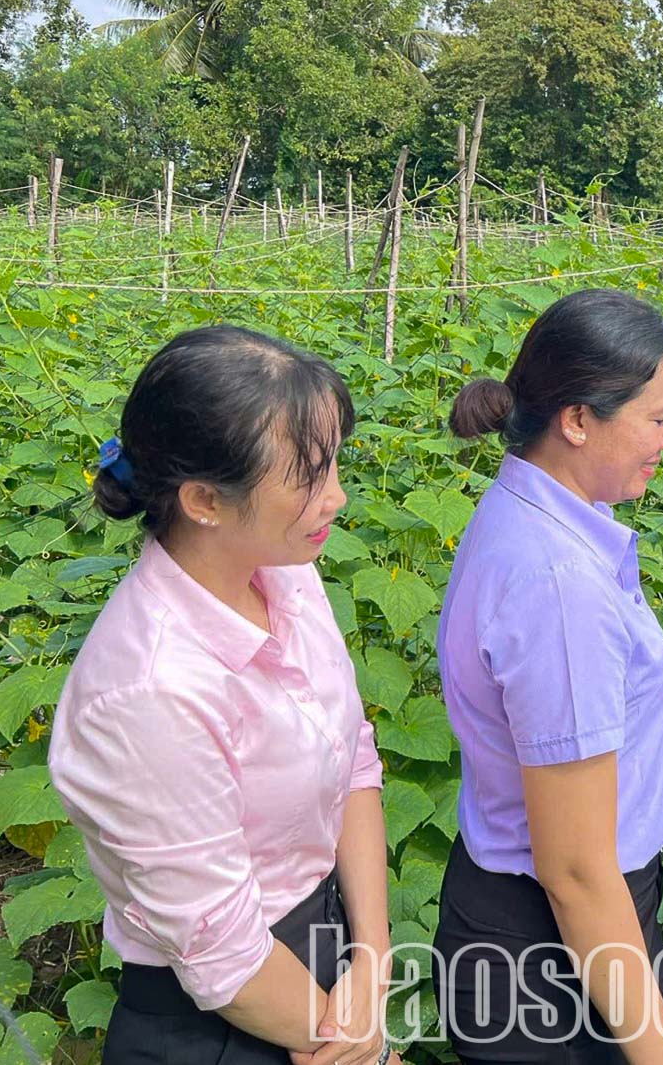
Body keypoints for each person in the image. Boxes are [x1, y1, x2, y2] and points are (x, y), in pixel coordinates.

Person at [50, 326, 394, 1065]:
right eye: (307, 475)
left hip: (327, 954)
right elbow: (228, 960)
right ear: (205, 498)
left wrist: (373, 956)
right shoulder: (147, 692)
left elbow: (353, 760)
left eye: (335, 461)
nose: (335, 495)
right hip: (219, 1022)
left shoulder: (285, 571)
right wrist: (358, 1043)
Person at [433, 289, 663, 1065]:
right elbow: (576, 868)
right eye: (657, 417)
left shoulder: (539, 513)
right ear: (577, 419)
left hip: (565, 929)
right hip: (556, 951)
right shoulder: (556, 582)